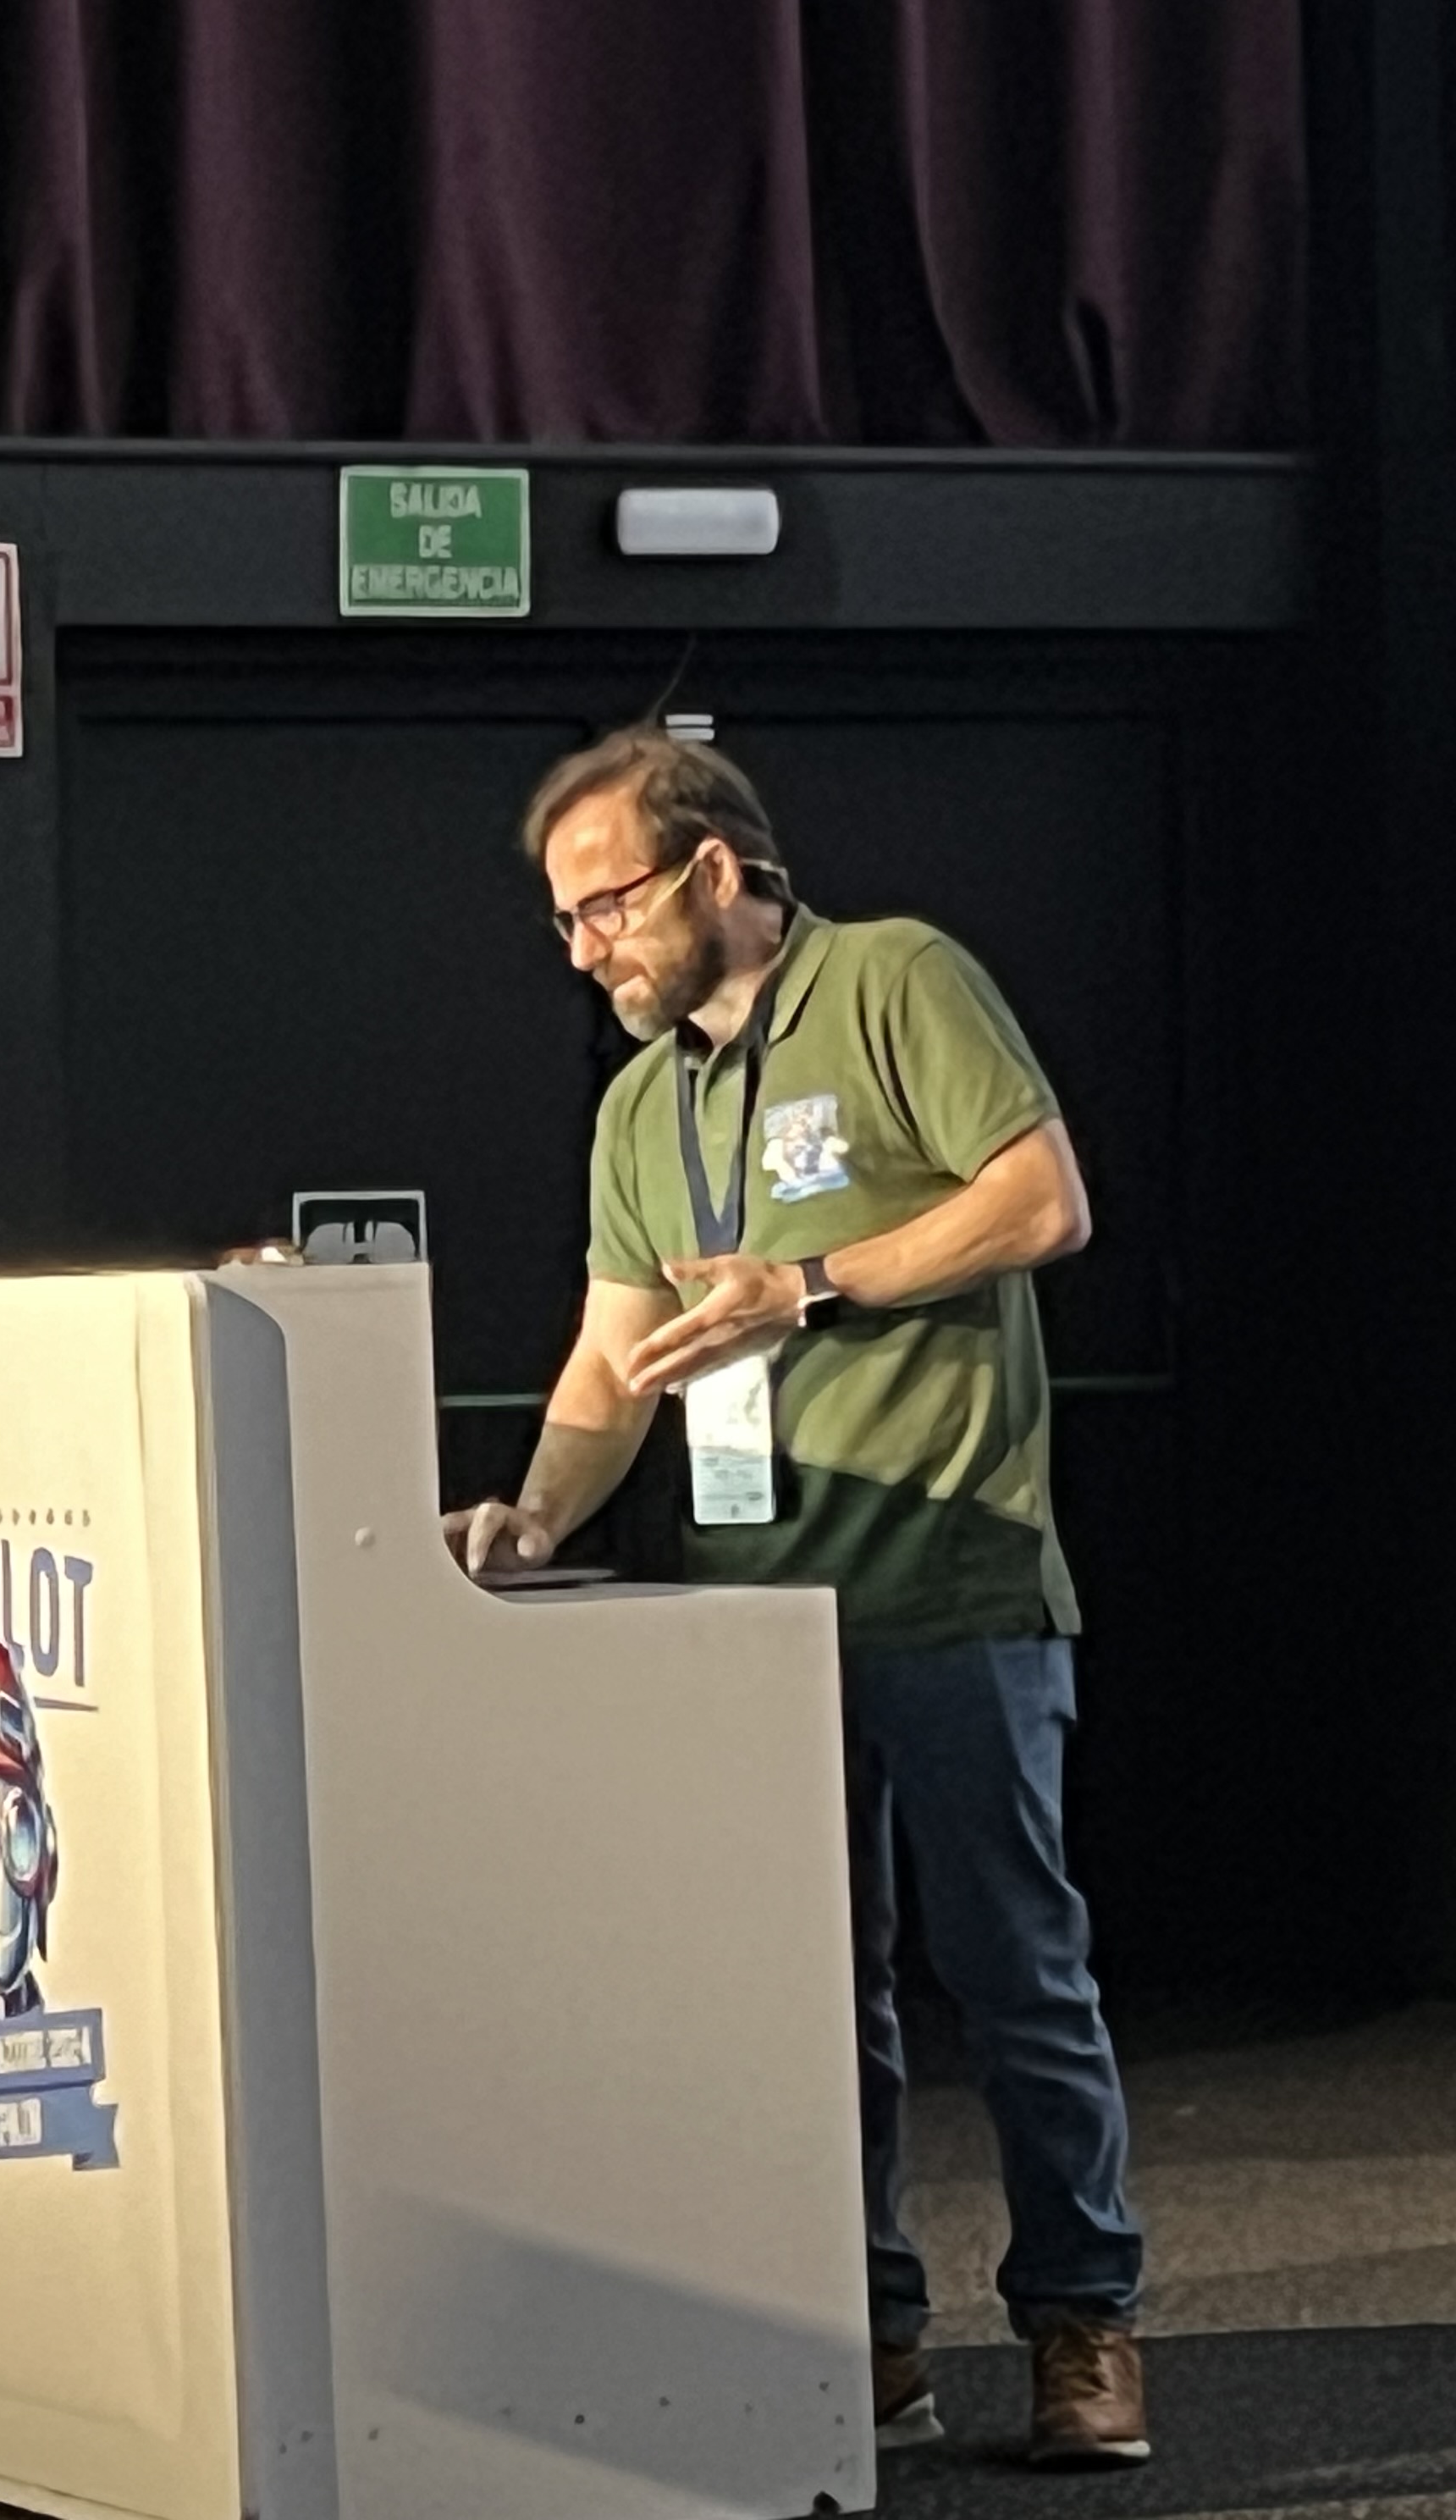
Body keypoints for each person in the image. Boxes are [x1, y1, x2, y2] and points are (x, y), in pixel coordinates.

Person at [443, 727, 1146, 2467]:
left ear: (713, 870)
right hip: (748, 1625)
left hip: (950, 1585)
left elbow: (1042, 1200)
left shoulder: (894, 980)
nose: (586, 947)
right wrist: (534, 1516)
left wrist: (810, 1283)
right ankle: (868, 2337)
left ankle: (1082, 2324)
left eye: (607, 905)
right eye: (562, 921)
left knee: (1017, 1973)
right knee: (811, 2004)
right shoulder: (640, 1106)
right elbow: (613, 1358)